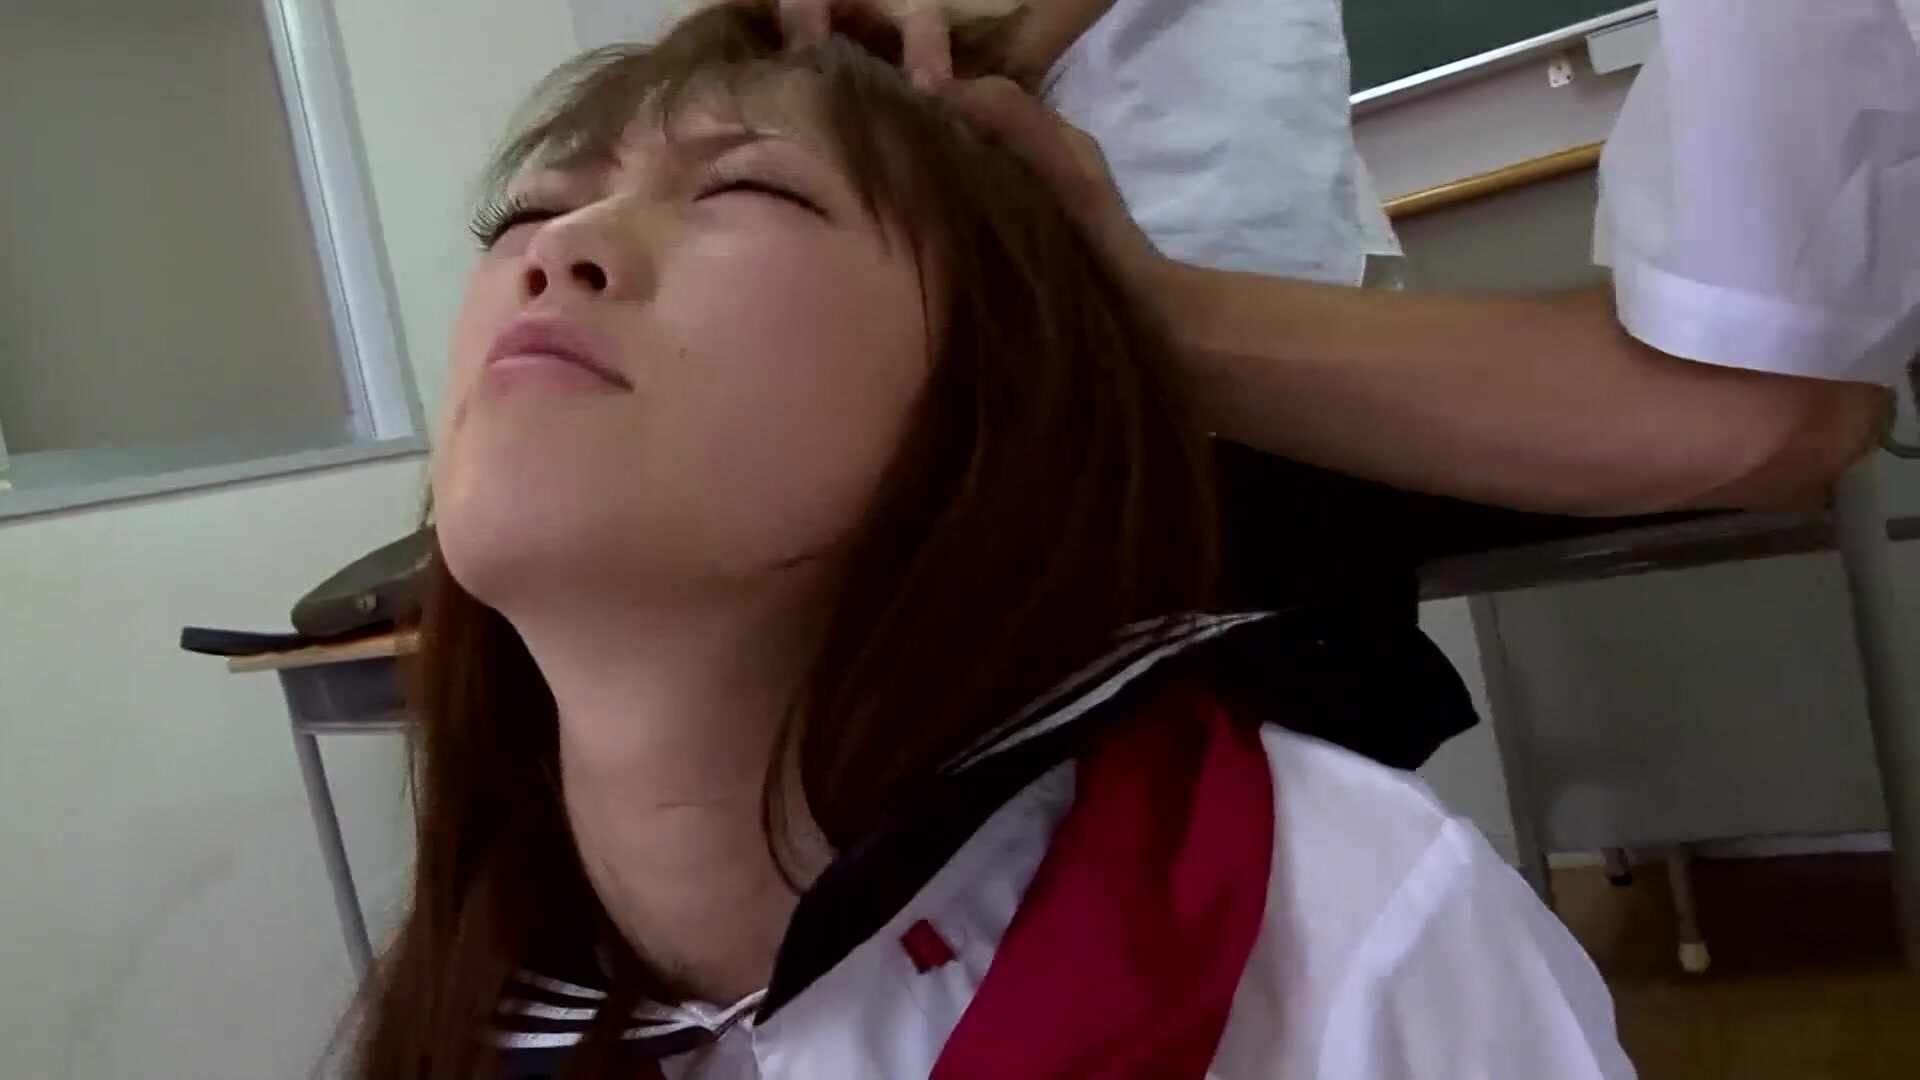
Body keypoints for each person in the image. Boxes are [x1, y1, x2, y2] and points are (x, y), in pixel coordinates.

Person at [348, 5, 1634, 1078]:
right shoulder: (466, 1019)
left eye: (744, 186)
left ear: (997, 386)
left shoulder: (1339, 935)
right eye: (524, 214)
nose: (560, 249)